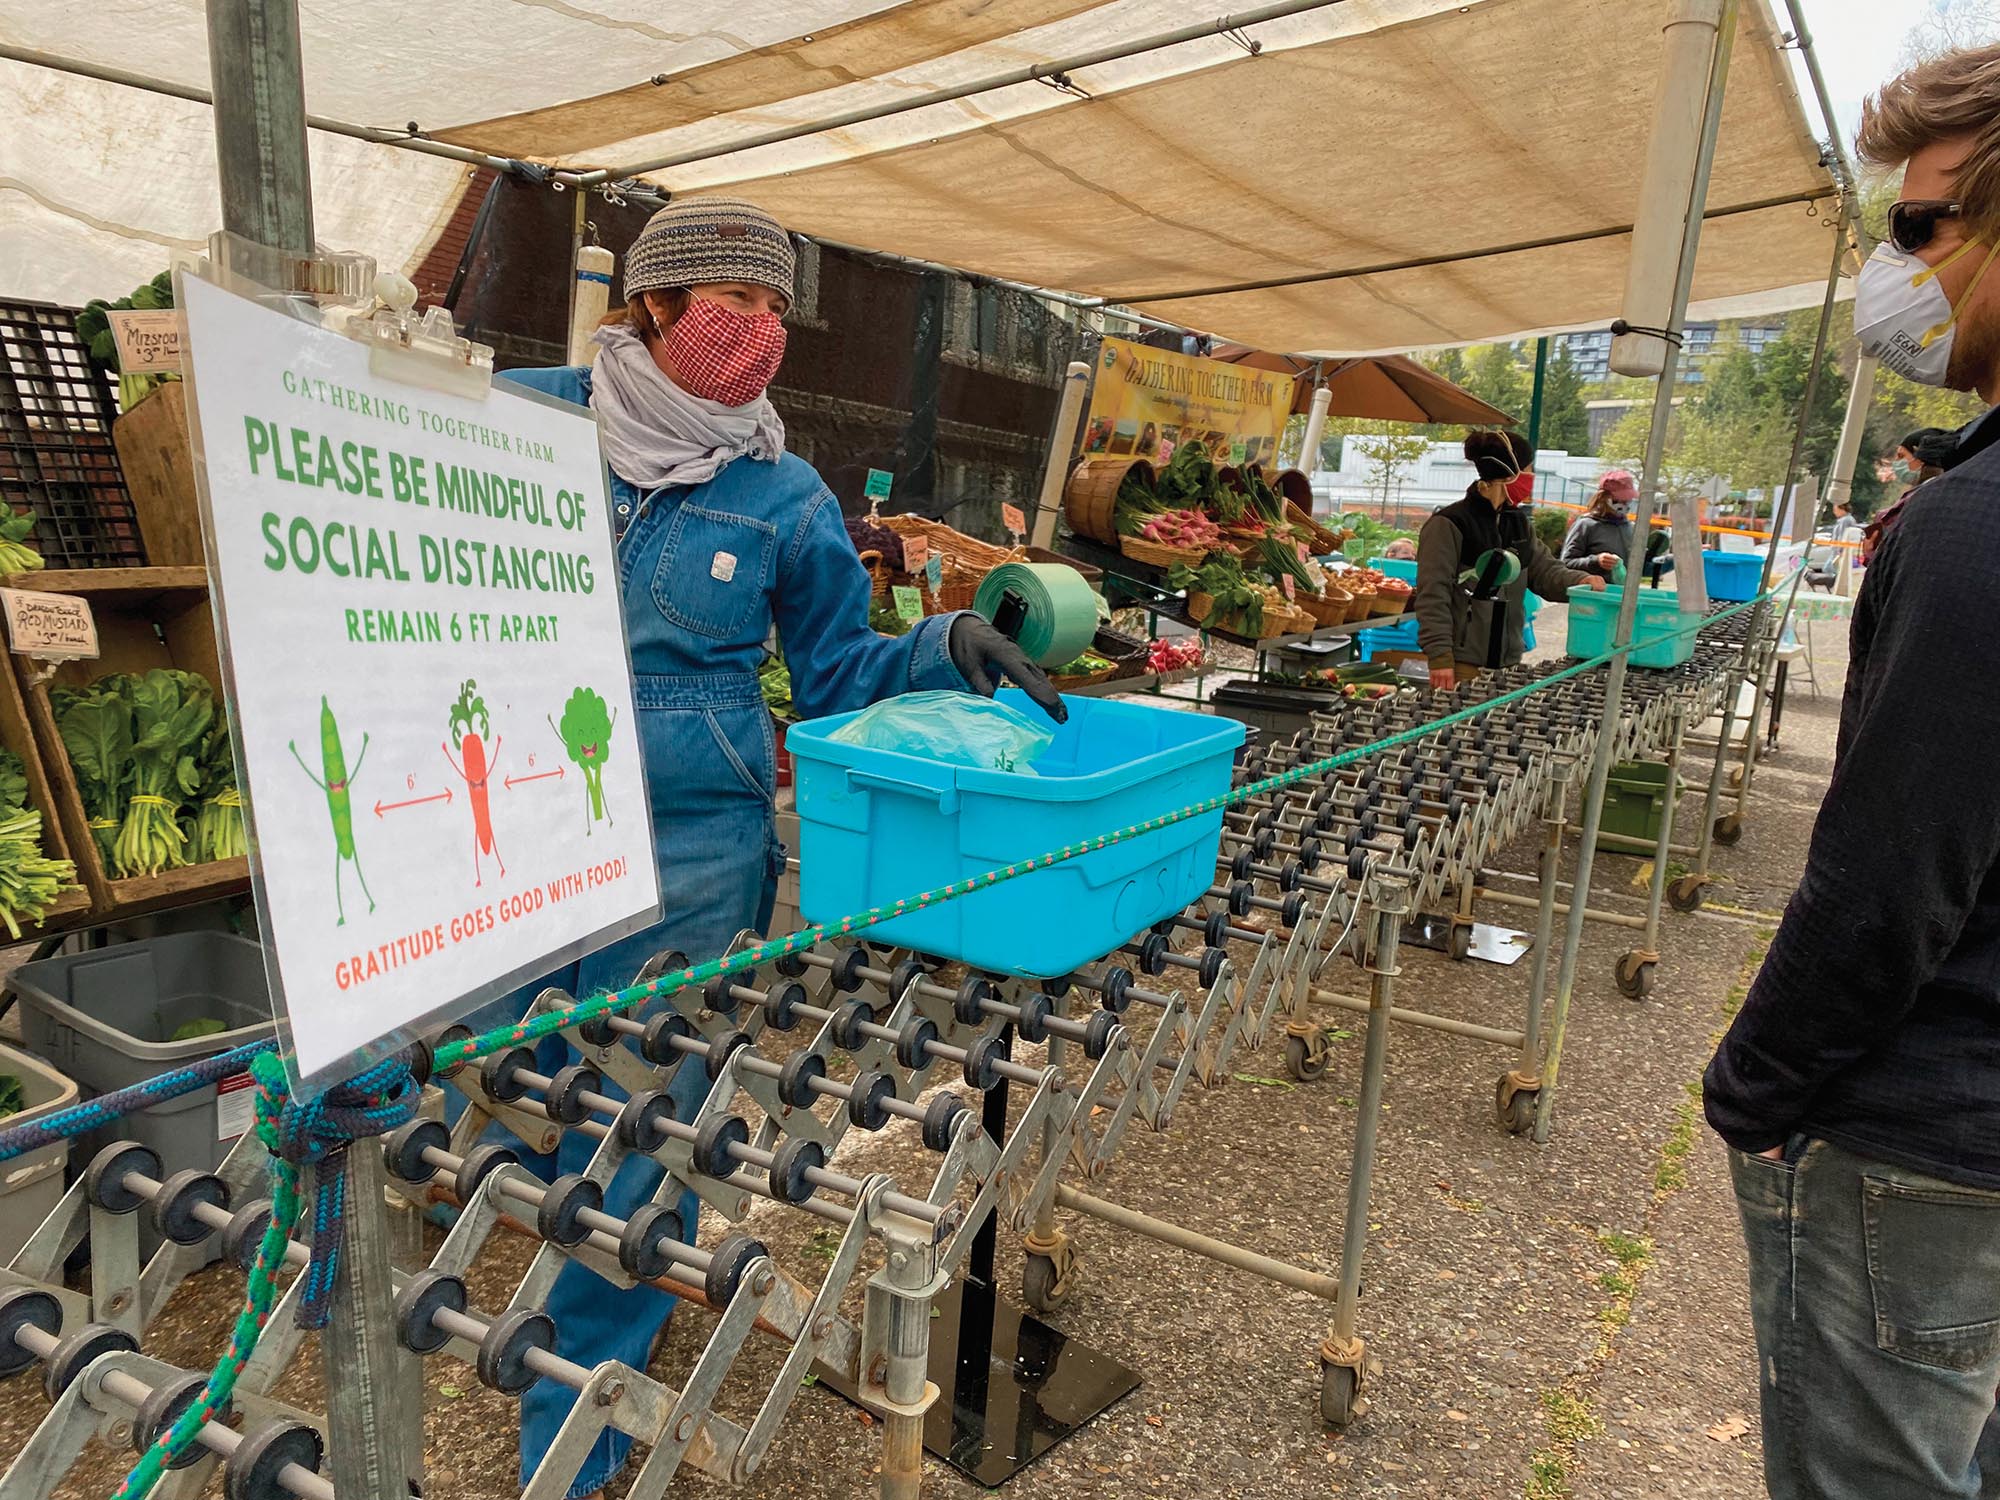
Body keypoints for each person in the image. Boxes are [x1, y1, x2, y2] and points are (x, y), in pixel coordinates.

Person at [464, 196, 1061, 1500]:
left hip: (692, 853)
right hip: (514, 820)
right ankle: (515, 1319)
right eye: (742, 302)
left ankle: (568, 1453)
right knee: (502, 1099)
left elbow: (838, 670)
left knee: (633, 1147)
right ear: (658, 303)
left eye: (781, 308)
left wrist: (940, 648)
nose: (768, 333)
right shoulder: (522, 418)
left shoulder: (784, 493)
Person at [1706, 46, 2000, 1500]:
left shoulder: (1974, 530)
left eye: (1920, 225)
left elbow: (1887, 881)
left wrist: (1755, 1088)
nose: (1897, 265)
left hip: (1917, 1146)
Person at [1414, 430, 1608, 690]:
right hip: (1462, 662)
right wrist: (1439, 657)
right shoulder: (1448, 524)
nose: (1531, 478)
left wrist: (1581, 580)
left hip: (1507, 661)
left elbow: (1545, 572)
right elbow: (1432, 594)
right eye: (1528, 469)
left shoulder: (1517, 524)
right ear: (1510, 471)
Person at [1860, 425, 1956, 562]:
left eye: (1901, 456)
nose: (1897, 463)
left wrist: (1873, 551)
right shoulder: (1948, 493)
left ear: (1920, 458)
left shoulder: (1924, 499)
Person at [1561, 469, 1639, 578]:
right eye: (1621, 499)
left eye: (1628, 500)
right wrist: (1596, 561)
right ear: (1604, 497)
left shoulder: (1628, 527)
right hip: (1593, 592)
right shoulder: (1585, 525)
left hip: (1622, 592)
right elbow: (1566, 562)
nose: (1626, 504)